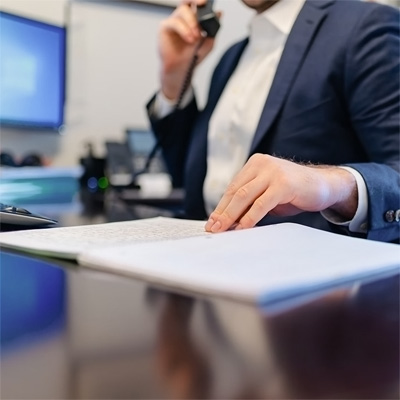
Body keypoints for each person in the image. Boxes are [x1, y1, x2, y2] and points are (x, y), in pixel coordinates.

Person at [146, 0, 400, 243]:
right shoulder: (231, 58)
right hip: (199, 263)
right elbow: (187, 181)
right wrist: (174, 78)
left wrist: (330, 184)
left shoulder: (364, 27)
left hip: (310, 274)